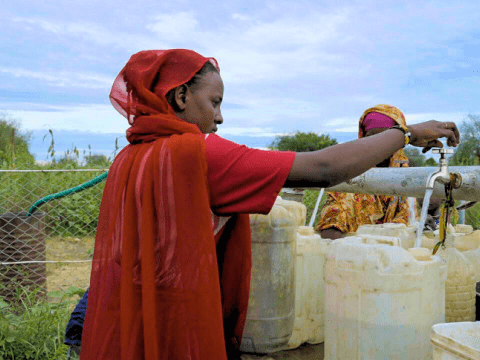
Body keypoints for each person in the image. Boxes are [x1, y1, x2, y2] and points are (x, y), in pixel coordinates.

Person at [80, 49, 460, 360]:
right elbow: (323, 168)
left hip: (124, 319)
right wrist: (406, 133)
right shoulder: (195, 154)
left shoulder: (132, 156)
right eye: (213, 102)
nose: (219, 117)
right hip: (177, 330)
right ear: (181, 97)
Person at [316, 105, 414, 240]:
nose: (377, 145)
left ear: (397, 142)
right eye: (371, 137)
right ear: (362, 139)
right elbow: (331, 227)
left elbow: (409, 227)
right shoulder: (350, 179)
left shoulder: (407, 178)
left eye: (385, 138)